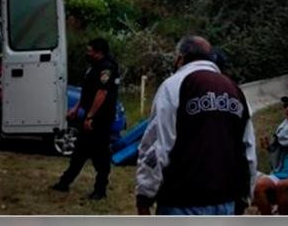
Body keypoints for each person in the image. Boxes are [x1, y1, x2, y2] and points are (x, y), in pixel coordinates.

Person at [135, 36, 256, 216]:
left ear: (180, 58)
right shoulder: (234, 90)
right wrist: (245, 195)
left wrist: (145, 194)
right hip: (227, 202)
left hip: (182, 201)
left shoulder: (173, 85)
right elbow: (248, 149)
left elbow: (158, 145)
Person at [50, 37, 120, 200]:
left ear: (99, 52)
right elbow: (88, 92)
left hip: (100, 118)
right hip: (89, 115)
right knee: (80, 151)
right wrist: (76, 109)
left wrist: (90, 116)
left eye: (90, 51)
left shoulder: (107, 68)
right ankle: (64, 183)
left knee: (101, 154)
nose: (87, 53)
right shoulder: (94, 67)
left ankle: (100, 189)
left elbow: (101, 94)